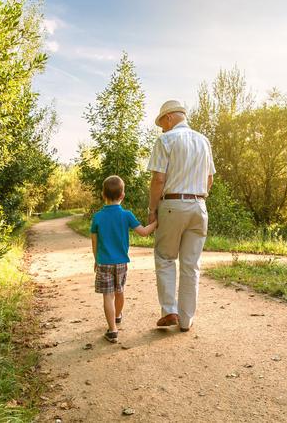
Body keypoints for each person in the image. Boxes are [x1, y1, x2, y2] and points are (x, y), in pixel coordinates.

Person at [146, 100, 215, 332]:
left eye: (162, 124)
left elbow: (158, 179)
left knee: (165, 257)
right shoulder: (204, 141)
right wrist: (198, 198)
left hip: (173, 204)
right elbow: (210, 180)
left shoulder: (166, 140)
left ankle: (169, 311)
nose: (162, 129)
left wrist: (152, 210)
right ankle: (186, 320)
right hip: (199, 206)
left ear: (169, 118)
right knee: (191, 265)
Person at [91, 175, 157, 343]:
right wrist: (157, 222)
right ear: (122, 195)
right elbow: (143, 232)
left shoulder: (97, 217)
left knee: (108, 296)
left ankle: (112, 330)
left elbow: (94, 242)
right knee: (119, 291)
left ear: (103, 195)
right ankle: (118, 315)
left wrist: (96, 260)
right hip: (121, 262)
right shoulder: (126, 215)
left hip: (104, 262)